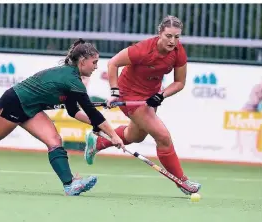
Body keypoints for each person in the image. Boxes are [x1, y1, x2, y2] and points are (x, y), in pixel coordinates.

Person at [0, 38, 125, 196]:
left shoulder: (74, 80)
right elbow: (92, 112)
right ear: (82, 62)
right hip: (15, 102)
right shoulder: (72, 80)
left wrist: (101, 129)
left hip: (32, 108)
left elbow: (74, 111)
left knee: (54, 140)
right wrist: (113, 136)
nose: (96, 66)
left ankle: (70, 184)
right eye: (94, 62)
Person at [84, 15, 201, 195]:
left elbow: (179, 82)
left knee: (135, 136)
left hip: (149, 96)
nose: (173, 41)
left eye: (177, 37)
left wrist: (161, 95)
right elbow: (113, 63)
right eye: (168, 36)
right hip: (129, 94)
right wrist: (114, 92)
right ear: (159, 34)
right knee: (163, 136)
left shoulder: (178, 52)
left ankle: (99, 142)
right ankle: (182, 182)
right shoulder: (143, 50)